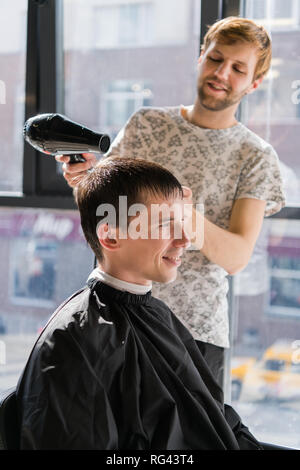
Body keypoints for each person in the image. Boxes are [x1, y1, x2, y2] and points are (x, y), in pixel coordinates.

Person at [56, 17, 286, 386]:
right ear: (200, 57)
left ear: (254, 82)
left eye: (238, 68)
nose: (221, 73)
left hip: (194, 333)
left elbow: (237, 257)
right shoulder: (146, 124)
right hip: (117, 314)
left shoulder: (256, 156)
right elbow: (107, 215)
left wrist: (183, 213)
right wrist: (85, 180)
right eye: (215, 59)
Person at [16, 157, 262, 450]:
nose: (185, 239)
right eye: (165, 225)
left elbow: (216, 418)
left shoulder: (157, 314)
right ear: (111, 236)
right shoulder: (74, 341)